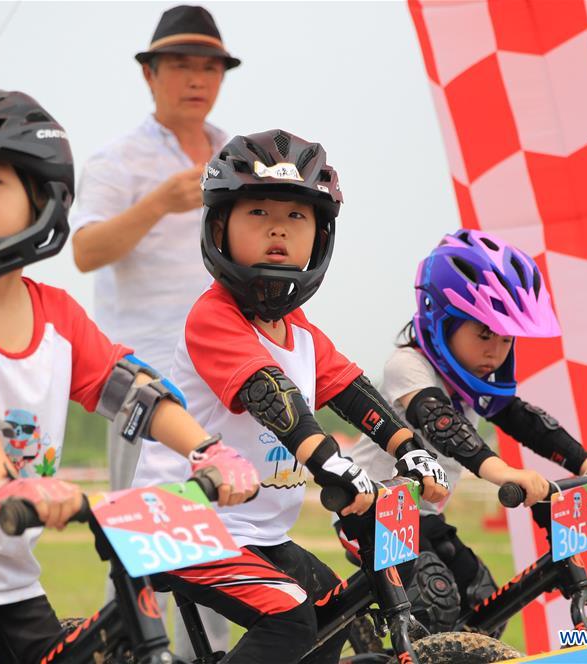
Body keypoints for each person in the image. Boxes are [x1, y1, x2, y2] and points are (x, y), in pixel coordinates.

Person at [0, 83, 258, 664]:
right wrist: (8, 483)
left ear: (40, 196)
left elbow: (131, 389)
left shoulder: (58, 315)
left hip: (7, 572)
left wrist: (207, 450)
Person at [133, 130, 450, 664]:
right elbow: (271, 394)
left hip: (252, 531)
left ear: (319, 235)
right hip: (175, 516)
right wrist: (332, 463)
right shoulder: (214, 316)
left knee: (331, 611)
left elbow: (351, 392)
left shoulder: (298, 331)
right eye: (257, 213)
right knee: (289, 616)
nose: (278, 227)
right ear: (219, 228)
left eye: (297, 216)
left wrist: (408, 447)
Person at [338, 229, 587, 634]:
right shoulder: (408, 367)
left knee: (484, 602)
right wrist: (502, 473)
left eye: (506, 337)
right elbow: (441, 424)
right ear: (441, 322)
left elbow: (522, 418)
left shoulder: (471, 380)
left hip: (423, 517)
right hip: (372, 512)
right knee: (436, 605)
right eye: (484, 333)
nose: (495, 350)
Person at [70, 5, 241, 651]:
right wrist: (158, 205)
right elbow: (85, 252)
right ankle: (128, 649)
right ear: (149, 73)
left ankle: (212, 653)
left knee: (227, 532)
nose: (196, 78)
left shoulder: (237, 152)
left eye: (209, 66)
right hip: (142, 378)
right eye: (180, 65)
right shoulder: (118, 159)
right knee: (143, 540)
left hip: (227, 371)